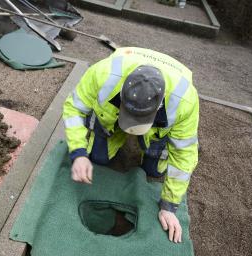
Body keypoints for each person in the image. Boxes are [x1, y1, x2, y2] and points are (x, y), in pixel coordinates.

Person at [63, 47, 199, 244]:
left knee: (153, 170)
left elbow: (184, 153)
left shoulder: (184, 101)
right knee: (97, 158)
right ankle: (111, 135)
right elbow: (73, 108)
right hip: (110, 116)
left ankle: (151, 149)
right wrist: (78, 153)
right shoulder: (103, 74)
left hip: (159, 129)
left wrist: (169, 205)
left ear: (158, 107)